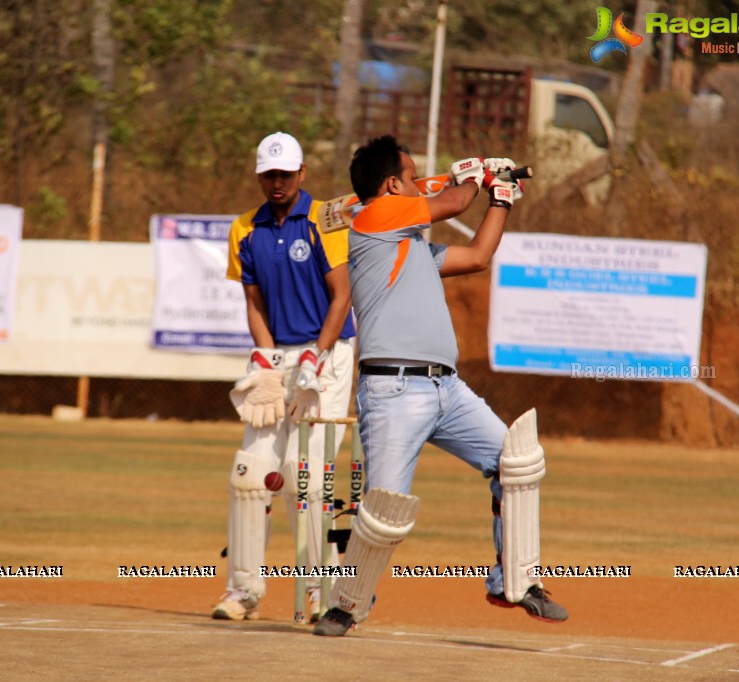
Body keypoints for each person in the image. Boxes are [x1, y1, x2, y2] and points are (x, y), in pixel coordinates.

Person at [313, 135, 568, 637]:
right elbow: (451, 201)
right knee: (384, 512)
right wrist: (470, 174)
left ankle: (514, 581)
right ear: (391, 186)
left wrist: (499, 198)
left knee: (516, 464)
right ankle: (347, 605)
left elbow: (476, 256)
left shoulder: (410, 246)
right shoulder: (372, 219)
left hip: (448, 391)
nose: (417, 185)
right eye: (410, 177)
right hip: (393, 391)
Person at [214, 132, 356, 622]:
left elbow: (342, 296)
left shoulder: (325, 219)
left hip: (329, 353)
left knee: (309, 480)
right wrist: (265, 359)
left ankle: (319, 592)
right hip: (279, 357)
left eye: (286, 174)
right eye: (269, 175)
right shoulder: (243, 229)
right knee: (252, 475)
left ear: (302, 175)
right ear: (258, 175)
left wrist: (317, 354)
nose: (277, 183)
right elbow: (253, 303)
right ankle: (244, 591)